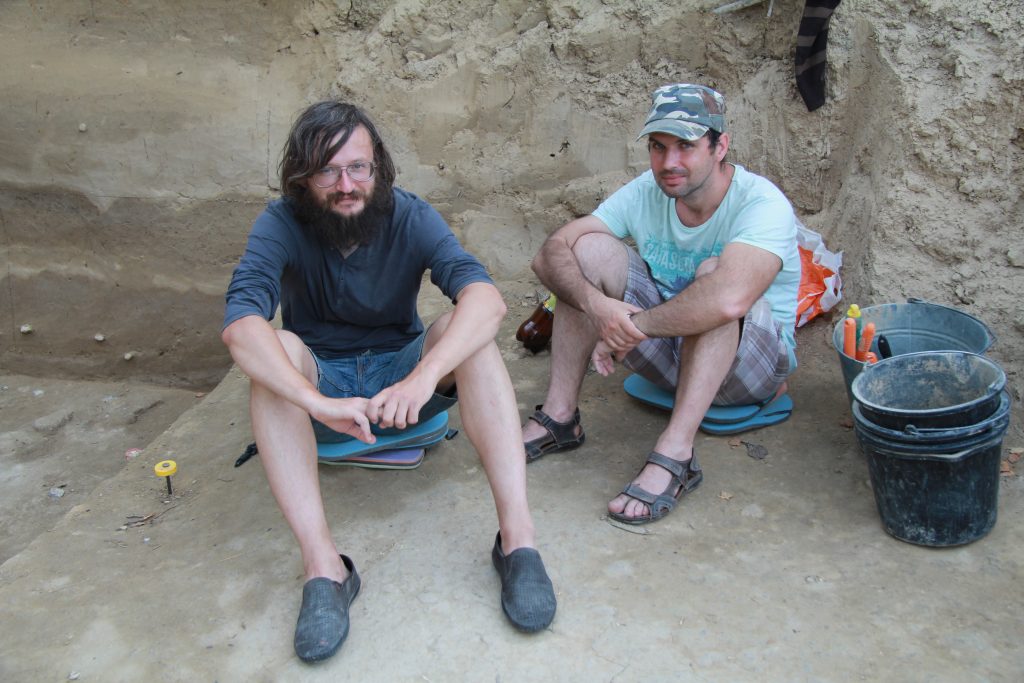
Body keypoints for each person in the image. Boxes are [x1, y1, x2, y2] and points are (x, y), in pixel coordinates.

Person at [222, 101, 556, 663]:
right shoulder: (279, 222)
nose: (346, 185)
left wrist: (423, 379)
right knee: (277, 350)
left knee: (468, 333)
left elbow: (487, 300)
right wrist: (313, 401)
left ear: (378, 167)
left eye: (358, 167)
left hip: (403, 389)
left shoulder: (409, 214)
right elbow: (240, 325)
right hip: (325, 397)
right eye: (327, 171)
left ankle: (517, 541)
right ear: (301, 178)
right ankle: (325, 569)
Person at [522, 83, 800, 525]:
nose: (669, 162)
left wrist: (629, 328)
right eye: (658, 146)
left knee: (715, 278)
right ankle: (559, 418)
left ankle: (676, 454)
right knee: (585, 251)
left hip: (749, 370)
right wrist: (598, 308)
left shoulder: (761, 202)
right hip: (670, 354)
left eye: (685, 146)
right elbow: (550, 253)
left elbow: (728, 299)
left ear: (720, 146)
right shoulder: (645, 192)